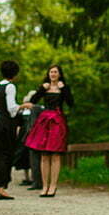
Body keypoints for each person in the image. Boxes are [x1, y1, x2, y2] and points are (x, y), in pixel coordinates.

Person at [0, 61, 32, 200]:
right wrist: (23, 106)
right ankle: (1, 188)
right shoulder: (10, 87)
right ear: (15, 74)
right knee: (6, 154)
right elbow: (11, 108)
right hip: (7, 125)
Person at [24, 65, 74, 197]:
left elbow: (71, 103)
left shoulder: (64, 87)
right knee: (44, 154)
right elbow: (33, 101)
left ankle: (53, 186)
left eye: (55, 72)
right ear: (48, 74)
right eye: (51, 72)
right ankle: (44, 185)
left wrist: (63, 89)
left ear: (59, 74)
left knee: (55, 154)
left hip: (57, 121)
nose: (53, 74)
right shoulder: (45, 87)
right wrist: (42, 89)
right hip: (45, 120)